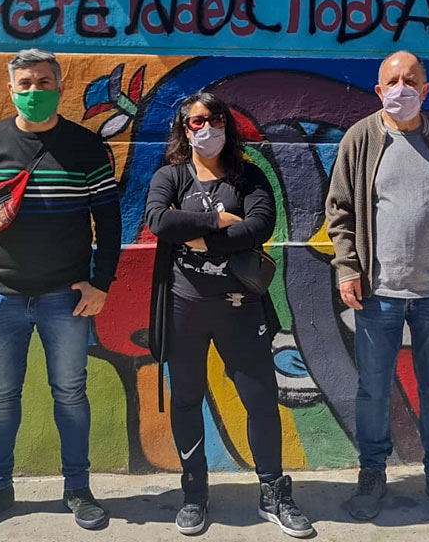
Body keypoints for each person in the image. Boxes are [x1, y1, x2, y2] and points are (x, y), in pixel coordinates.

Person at [0, 48, 122, 535]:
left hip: (66, 298)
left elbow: (109, 221)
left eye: (43, 83)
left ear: (59, 88)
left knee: (71, 394)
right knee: (1, 397)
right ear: (11, 89)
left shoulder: (86, 147)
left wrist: (102, 283)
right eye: (25, 84)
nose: (34, 91)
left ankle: (78, 489)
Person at [144, 91, 313, 538]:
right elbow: (159, 221)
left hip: (240, 308)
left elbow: (260, 225)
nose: (207, 128)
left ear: (227, 125)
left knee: (260, 400)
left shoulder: (248, 176)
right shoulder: (170, 175)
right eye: (197, 121)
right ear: (184, 129)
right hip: (183, 307)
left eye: (215, 119)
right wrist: (219, 223)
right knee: (186, 398)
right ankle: (194, 492)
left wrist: (199, 238)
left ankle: (273, 492)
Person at [326, 50, 429, 525]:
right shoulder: (360, 139)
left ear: (425, 90)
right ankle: (372, 474)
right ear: (378, 90)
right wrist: (347, 269)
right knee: (373, 391)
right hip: (378, 296)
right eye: (392, 81)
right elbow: (339, 211)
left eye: (410, 81)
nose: (401, 89)